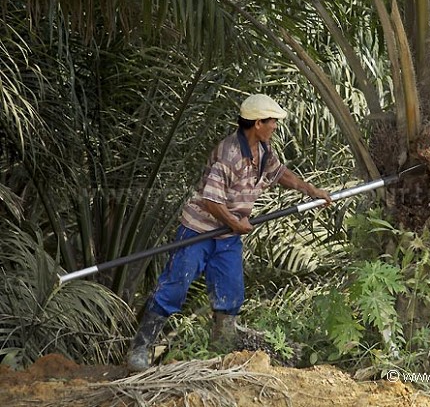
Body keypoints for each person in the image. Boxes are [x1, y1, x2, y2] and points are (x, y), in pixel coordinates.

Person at [127, 94, 332, 372]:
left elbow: (280, 173)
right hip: (198, 232)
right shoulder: (228, 154)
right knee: (175, 286)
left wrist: (311, 190)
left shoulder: (263, 151)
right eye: (272, 121)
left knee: (230, 291)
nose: (275, 126)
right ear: (258, 123)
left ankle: (222, 346)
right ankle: (140, 348)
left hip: (228, 236)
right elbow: (212, 201)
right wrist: (236, 224)